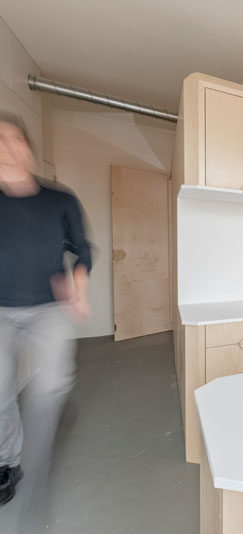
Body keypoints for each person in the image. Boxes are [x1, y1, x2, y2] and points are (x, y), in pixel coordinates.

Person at [0, 111, 92, 528]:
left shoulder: (60, 200)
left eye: (14, 138)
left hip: (48, 310)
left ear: (29, 151)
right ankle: (8, 463)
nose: (7, 147)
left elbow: (83, 250)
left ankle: (34, 479)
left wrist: (77, 284)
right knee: (0, 393)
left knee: (50, 388)